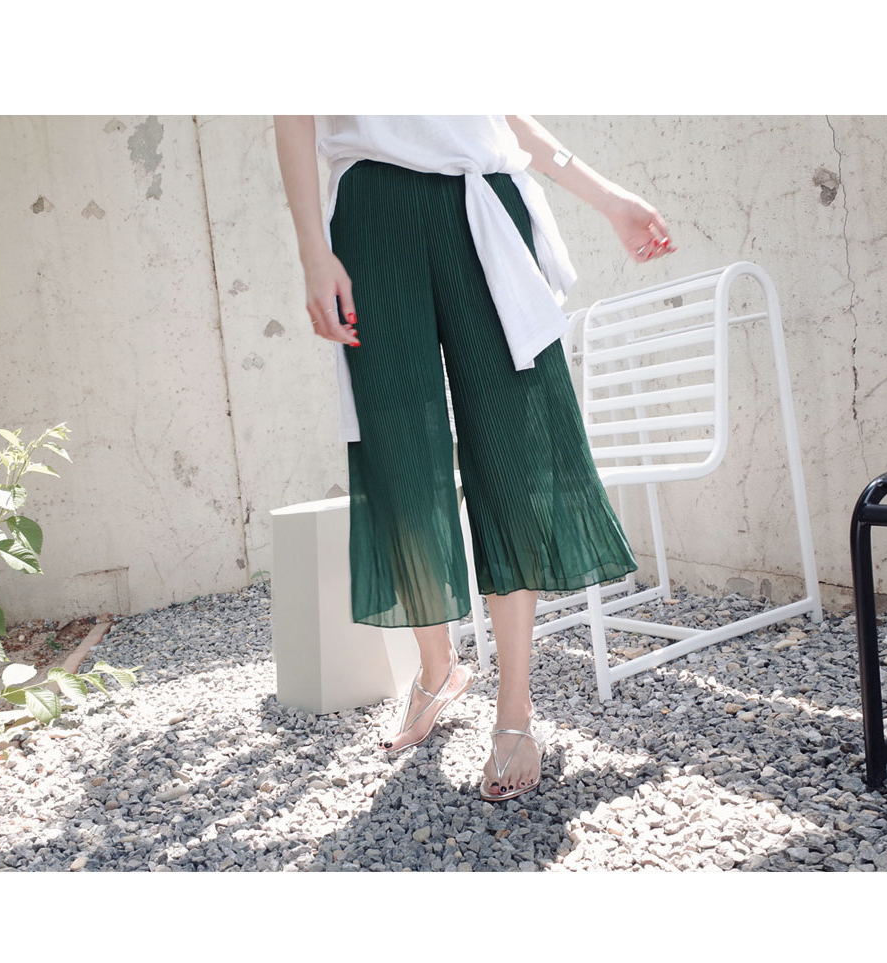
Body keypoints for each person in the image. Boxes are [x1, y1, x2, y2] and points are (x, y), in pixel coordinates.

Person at [274, 115, 675, 803]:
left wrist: (608, 198)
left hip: (483, 200)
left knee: (513, 455)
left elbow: (502, 110)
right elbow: (293, 113)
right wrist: (313, 250)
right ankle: (438, 668)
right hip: (373, 212)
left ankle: (514, 709)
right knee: (398, 454)